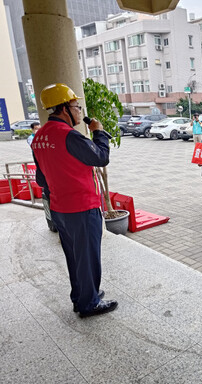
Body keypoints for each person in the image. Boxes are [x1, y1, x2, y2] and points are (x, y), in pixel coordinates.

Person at [32, 83, 117, 318]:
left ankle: (80, 297)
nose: (79, 110)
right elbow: (101, 157)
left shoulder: (39, 136)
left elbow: (41, 177)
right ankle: (89, 304)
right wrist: (99, 132)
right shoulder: (69, 135)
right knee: (88, 256)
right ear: (63, 108)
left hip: (60, 208)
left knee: (74, 256)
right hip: (81, 207)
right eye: (75, 106)